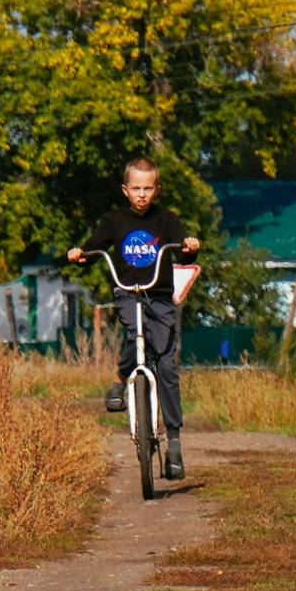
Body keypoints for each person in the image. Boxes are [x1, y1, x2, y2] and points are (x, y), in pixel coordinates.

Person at [66, 157, 200, 480]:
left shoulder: (166, 220)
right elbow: (96, 244)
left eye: (148, 188)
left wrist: (190, 247)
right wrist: (80, 253)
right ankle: (119, 381)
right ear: (125, 190)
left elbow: (182, 250)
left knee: (167, 364)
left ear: (157, 190)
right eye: (136, 188)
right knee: (134, 335)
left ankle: (175, 445)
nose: (142, 194)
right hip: (128, 293)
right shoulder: (115, 220)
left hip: (159, 296)